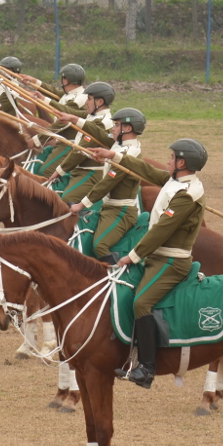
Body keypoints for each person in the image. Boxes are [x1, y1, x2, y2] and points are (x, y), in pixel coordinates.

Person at [90, 138, 209, 389]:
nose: (167, 161)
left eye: (171, 157)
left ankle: (147, 368)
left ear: (182, 162)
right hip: (158, 257)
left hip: (171, 261)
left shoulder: (187, 195)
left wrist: (132, 256)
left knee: (141, 302)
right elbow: (145, 170)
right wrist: (113, 155)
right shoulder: (174, 181)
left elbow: (160, 232)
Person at [69, 107, 145, 261]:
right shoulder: (119, 145)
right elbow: (97, 133)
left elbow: (107, 183)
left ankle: (118, 278)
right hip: (108, 206)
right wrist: (74, 119)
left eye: (117, 125)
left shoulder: (129, 153)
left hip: (121, 211)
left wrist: (81, 205)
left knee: (100, 245)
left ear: (128, 128)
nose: (113, 128)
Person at [48, 82, 116, 203]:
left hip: (91, 173)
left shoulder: (101, 122)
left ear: (99, 102)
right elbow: (71, 113)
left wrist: (58, 171)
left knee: (66, 200)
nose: (85, 102)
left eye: (89, 99)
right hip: (81, 170)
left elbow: (80, 151)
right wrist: (46, 101)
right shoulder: (93, 115)